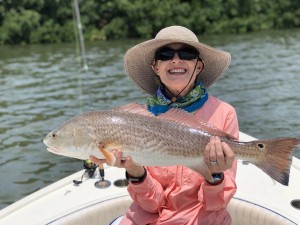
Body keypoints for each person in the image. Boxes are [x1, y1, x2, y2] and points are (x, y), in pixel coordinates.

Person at [90, 25, 239, 225]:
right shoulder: (138, 119)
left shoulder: (224, 113)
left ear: (198, 66)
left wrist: (215, 175)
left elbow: (215, 204)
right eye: (165, 54)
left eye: (186, 53)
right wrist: (135, 170)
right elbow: (152, 205)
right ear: (155, 67)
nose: (176, 59)